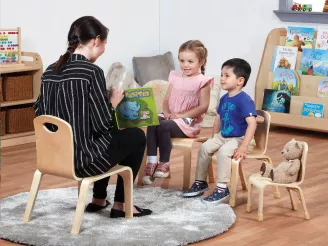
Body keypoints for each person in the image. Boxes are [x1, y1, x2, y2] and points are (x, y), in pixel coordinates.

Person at [33, 16, 152, 217]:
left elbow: (41, 111)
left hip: (53, 158)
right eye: (105, 43)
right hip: (83, 161)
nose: (104, 49)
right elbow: (102, 125)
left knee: (107, 137)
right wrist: (113, 101)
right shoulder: (91, 72)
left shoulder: (49, 71)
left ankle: (98, 199)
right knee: (137, 136)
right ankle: (122, 204)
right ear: (96, 40)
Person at [182, 58, 257, 204]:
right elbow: (218, 120)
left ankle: (222, 188)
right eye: (221, 75)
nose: (222, 79)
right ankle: (200, 182)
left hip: (240, 138)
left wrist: (243, 146)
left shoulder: (244, 100)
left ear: (240, 80)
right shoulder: (224, 99)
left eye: (226, 76)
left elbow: (252, 124)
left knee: (224, 152)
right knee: (204, 147)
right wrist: (214, 138)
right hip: (223, 136)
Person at [143, 40, 213, 185]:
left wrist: (180, 115)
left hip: (188, 123)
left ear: (201, 62)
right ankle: (151, 162)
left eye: (190, 61)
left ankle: (164, 163)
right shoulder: (175, 77)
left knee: (164, 126)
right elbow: (166, 100)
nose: (185, 65)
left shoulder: (202, 81)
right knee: (153, 121)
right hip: (172, 118)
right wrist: (167, 112)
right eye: (182, 60)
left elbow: (204, 107)